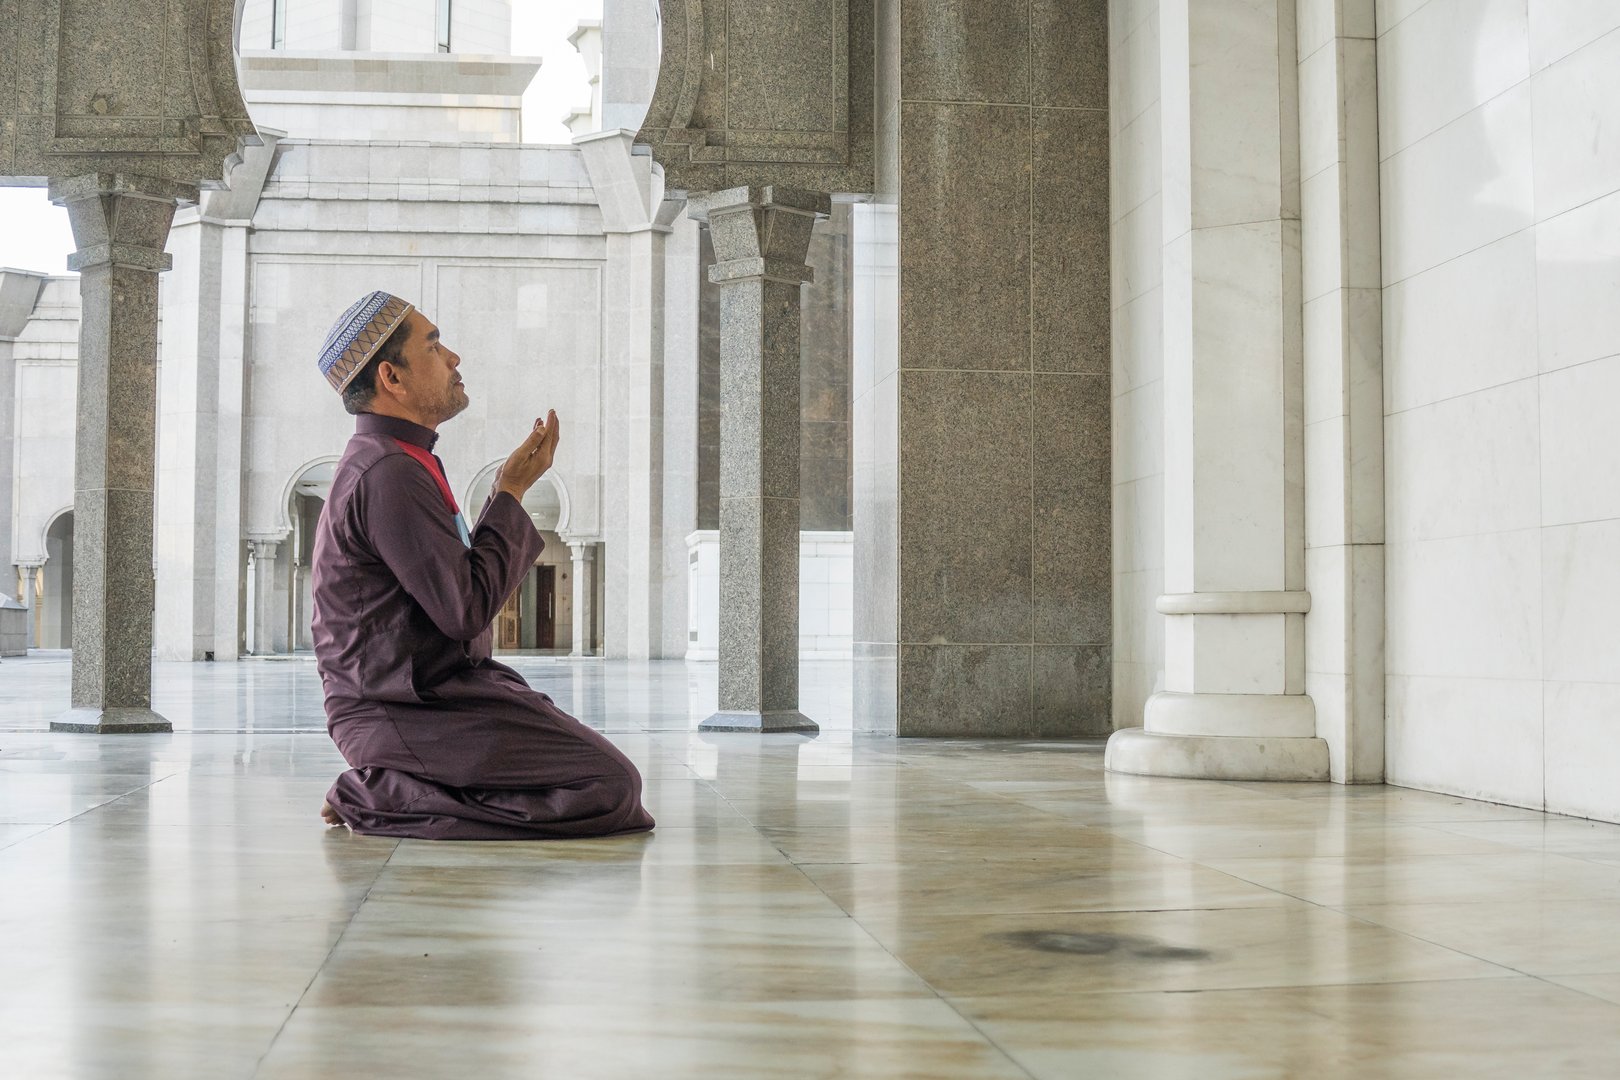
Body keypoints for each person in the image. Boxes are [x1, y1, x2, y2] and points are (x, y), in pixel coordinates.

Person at [308, 291, 655, 840]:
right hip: (401, 709)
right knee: (607, 788)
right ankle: (378, 794)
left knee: (607, 785)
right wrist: (510, 492)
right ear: (391, 378)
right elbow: (464, 610)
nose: (454, 358)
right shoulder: (388, 473)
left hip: (440, 693)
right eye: (435, 345)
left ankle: (402, 786)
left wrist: (506, 494)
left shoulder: (404, 461)